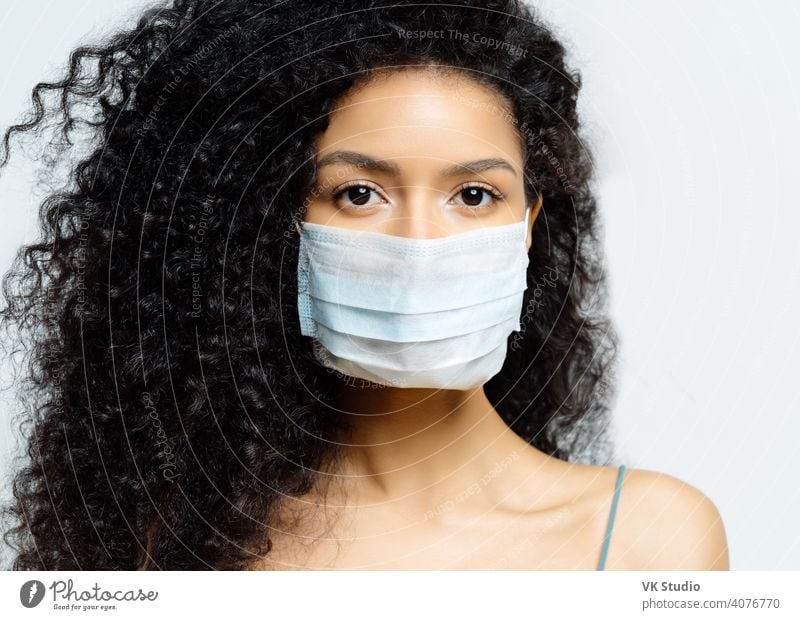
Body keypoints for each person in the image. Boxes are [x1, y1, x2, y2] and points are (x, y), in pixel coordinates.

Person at [0, 0, 728, 570]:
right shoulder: (183, 545)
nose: (418, 245)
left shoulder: (650, 539)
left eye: (473, 195)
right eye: (358, 194)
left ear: (530, 224)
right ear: (273, 223)